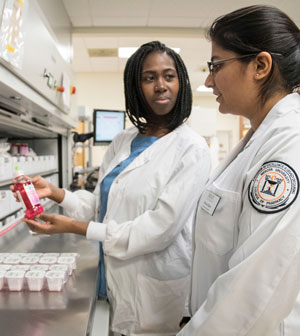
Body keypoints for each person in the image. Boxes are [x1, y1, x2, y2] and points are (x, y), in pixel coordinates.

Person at [13, 41, 211, 335]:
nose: (160, 85)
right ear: (135, 86)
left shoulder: (192, 149)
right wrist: (55, 193)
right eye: (149, 77)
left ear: (180, 82)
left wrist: (75, 227)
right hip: (113, 281)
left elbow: (157, 230)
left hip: (153, 294)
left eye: (169, 76)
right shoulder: (123, 141)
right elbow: (101, 208)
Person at [178, 5, 300, 336]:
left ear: (259, 65)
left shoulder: (291, 142)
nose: (207, 79)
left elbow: (256, 288)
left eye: (216, 65)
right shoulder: (259, 137)